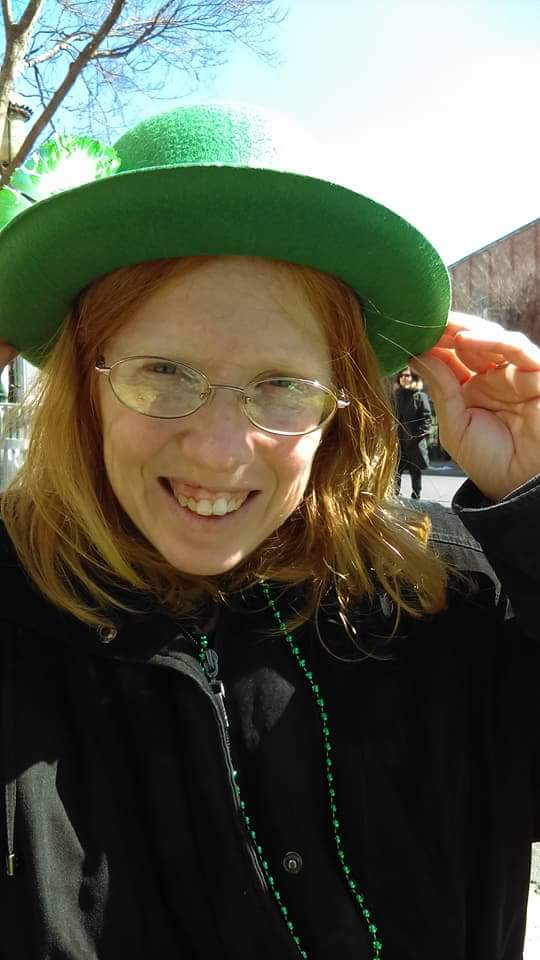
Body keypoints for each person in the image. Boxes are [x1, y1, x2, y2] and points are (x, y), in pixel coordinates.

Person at [0, 103, 539, 960]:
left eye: (282, 385)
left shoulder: (448, 593)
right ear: (85, 384)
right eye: (163, 371)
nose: (220, 451)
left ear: (341, 407)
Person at [394, 367, 432, 498]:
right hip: (399, 441)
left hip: (414, 441)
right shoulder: (396, 396)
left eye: (407, 375)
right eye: (401, 376)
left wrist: (418, 435)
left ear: (413, 379)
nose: (404, 378)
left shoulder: (420, 396)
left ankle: (416, 495)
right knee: (396, 471)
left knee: (415, 471)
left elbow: (427, 418)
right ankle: (395, 494)